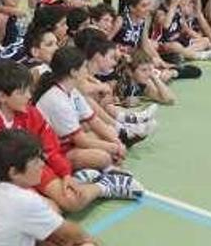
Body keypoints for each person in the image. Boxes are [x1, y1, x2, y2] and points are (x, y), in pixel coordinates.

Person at [0, 62, 134, 213]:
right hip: (4, 183)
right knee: (51, 211)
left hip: (33, 170)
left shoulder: (31, 114)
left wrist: (64, 174)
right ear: (2, 96)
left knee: (72, 200)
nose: (29, 96)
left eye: (29, 90)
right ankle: (83, 181)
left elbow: (50, 149)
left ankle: (104, 186)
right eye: (22, 92)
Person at [34, 47, 138, 178]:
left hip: (68, 144)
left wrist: (115, 141)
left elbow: (94, 121)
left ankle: (97, 170)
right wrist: (114, 148)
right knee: (103, 157)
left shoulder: (71, 91)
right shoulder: (56, 99)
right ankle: (94, 172)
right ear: (73, 72)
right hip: (54, 152)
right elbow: (81, 141)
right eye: (84, 67)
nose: (87, 71)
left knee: (109, 133)